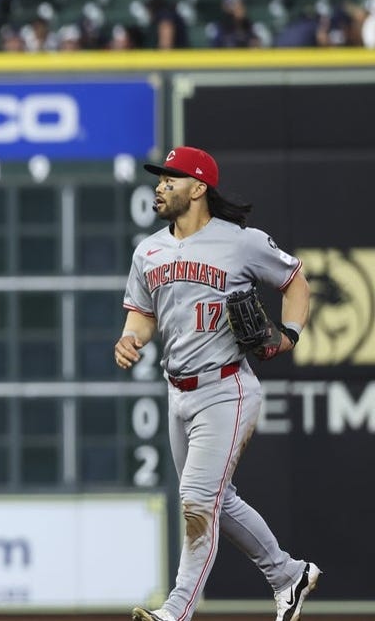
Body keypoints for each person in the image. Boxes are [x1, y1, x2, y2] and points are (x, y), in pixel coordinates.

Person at [114, 147, 320, 621]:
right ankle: (288, 575)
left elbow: (294, 281)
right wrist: (129, 339)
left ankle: (176, 612)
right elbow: (141, 316)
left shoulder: (240, 242)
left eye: (172, 178)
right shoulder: (148, 251)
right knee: (218, 500)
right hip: (178, 392)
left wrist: (289, 336)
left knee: (196, 504)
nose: (161, 185)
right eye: (160, 178)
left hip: (226, 389)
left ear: (199, 187)